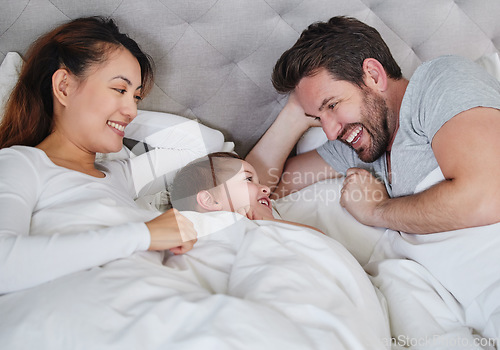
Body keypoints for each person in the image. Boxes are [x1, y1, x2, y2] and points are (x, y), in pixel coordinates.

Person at [245, 16, 500, 235]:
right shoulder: (362, 143)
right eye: (317, 118)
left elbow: (487, 196)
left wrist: (376, 211)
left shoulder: (440, 82)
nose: (331, 132)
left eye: (332, 105)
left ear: (374, 76)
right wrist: (293, 114)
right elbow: (253, 189)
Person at [0, 16, 197, 294]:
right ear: (64, 87)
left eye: (137, 97)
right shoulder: (19, 164)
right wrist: (144, 234)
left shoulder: (121, 176)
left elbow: (196, 145)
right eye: (119, 89)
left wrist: (115, 114)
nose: (133, 109)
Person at [170, 152, 322, 232]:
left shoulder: (272, 221)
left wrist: (272, 223)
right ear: (210, 200)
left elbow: (321, 241)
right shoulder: (207, 231)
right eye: (248, 179)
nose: (267, 189)